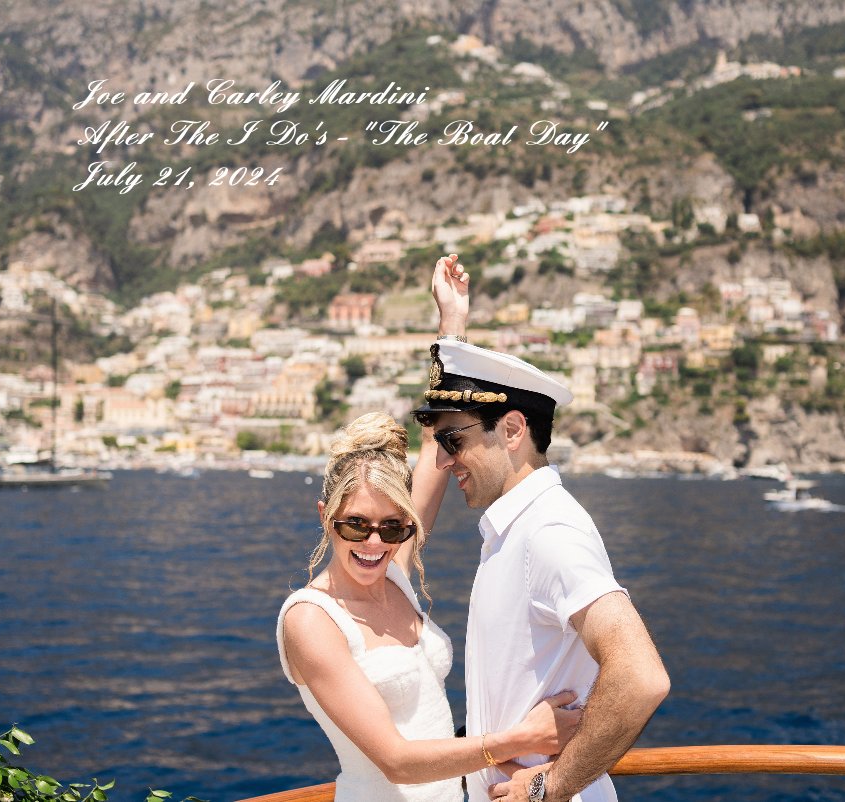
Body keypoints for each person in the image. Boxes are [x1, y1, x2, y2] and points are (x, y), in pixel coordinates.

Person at [413, 255, 671, 802]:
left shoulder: (548, 531)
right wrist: (450, 333)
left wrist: (550, 785)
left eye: (453, 441)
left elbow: (641, 676)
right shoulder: (514, 528)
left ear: (511, 430)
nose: (443, 461)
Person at [276, 411, 581, 802]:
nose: (373, 543)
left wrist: (448, 374)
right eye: (355, 524)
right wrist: (521, 739)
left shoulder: (393, 575)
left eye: (392, 527)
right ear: (325, 517)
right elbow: (396, 761)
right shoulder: (312, 619)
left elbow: (432, 442)